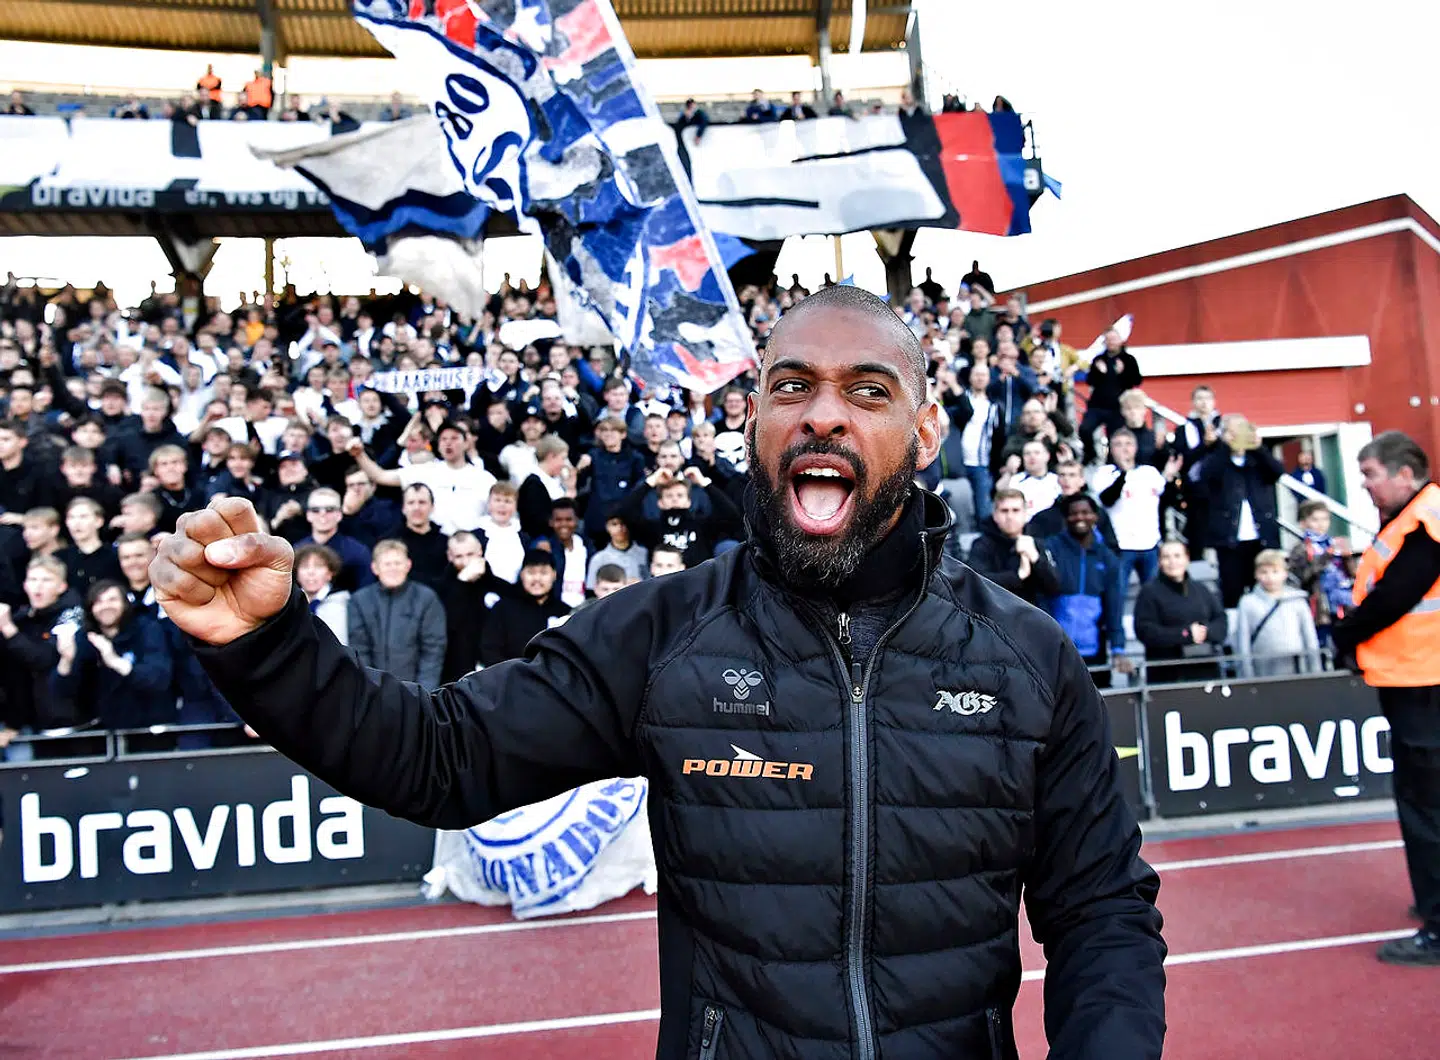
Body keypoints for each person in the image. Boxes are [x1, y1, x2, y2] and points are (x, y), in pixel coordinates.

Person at [155, 284, 1165, 1058]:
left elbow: (1102, 912)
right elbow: (438, 758)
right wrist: (268, 644)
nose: (824, 415)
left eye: (868, 390)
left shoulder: (1028, 660)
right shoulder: (661, 635)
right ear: (753, 425)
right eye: (790, 387)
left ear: (927, 431)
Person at [1331, 431, 1440, 965]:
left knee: (1426, 805)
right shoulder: (1412, 519)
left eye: (1371, 474)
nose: (1365, 485)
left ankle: (1438, 925)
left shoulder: (1425, 520)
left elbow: (1397, 595)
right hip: (1415, 677)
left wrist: (1345, 634)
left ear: (1404, 472)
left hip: (1423, 681)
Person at [1041, 493, 1132, 687]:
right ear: (1066, 518)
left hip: (1094, 651)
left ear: (1095, 517)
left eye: (1085, 512)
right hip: (1057, 650)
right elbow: (1041, 598)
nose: (1080, 517)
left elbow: (1114, 606)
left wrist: (1118, 648)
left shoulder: (1107, 557)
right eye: (1074, 514)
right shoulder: (1051, 548)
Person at [347, 540, 446, 688]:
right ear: (375, 568)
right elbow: (359, 648)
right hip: (373, 691)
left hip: (416, 690)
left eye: (397, 563)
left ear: (408, 565)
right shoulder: (359, 600)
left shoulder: (426, 598)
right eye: (387, 564)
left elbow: (433, 650)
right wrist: (370, 689)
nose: (393, 568)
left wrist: (423, 693)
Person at [1133, 541, 1226, 683]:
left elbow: (1220, 620)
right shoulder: (1149, 592)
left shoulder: (1201, 589)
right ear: (1159, 561)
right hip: (1167, 674)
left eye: (1177, 556)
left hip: (1205, 670)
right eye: (1166, 557)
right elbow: (1145, 630)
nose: (1172, 562)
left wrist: (1205, 632)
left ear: (1187, 559)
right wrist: (1185, 634)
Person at [1233, 549, 1320, 678]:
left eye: (1275, 572)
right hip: (1263, 669)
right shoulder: (1247, 603)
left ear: (1285, 573)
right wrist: (1247, 676)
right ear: (1256, 574)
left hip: (1297, 667)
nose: (1270, 577)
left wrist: (1316, 670)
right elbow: (1243, 642)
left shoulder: (1297, 600)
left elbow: (1310, 637)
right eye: (1264, 572)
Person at [964, 488, 1059, 605]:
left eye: (1016, 510)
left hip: (1032, 615)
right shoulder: (982, 544)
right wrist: (1017, 576)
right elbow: (975, 583)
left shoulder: (1036, 543)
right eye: (1004, 511)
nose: (1010, 516)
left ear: (1025, 513)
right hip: (995, 614)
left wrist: (1035, 558)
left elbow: (1054, 587)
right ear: (995, 515)